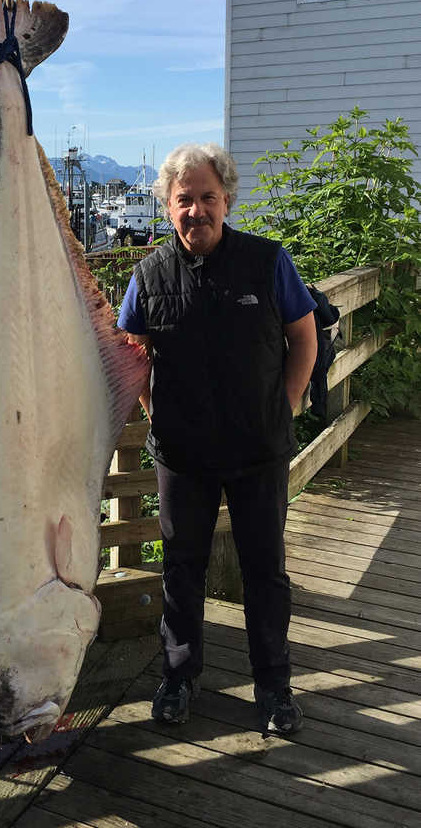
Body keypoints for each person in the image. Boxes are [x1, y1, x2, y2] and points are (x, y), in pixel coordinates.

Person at [117, 143, 317, 735]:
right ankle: (178, 679)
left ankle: (274, 686)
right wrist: (154, 411)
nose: (196, 210)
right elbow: (130, 356)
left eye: (208, 197)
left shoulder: (266, 260)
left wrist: (284, 403)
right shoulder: (148, 274)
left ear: (226, 199)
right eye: (184, 200)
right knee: (182, 569)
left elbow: (303, 336)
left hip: (259, 449)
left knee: (265, 570)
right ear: (167, 207)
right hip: (183, 454)